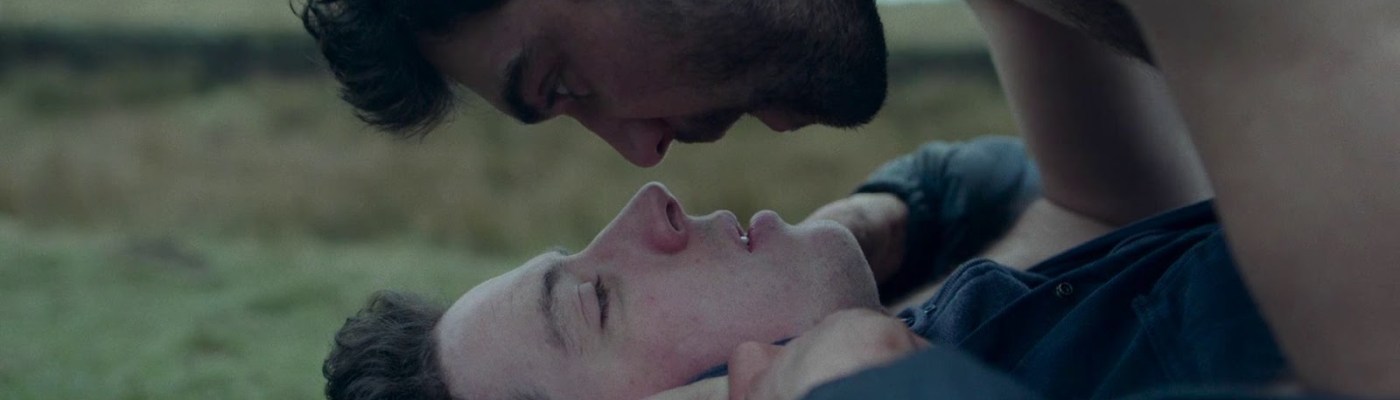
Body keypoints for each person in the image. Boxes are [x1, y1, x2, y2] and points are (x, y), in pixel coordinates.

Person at [301, 0, 1400, 397]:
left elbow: (1095, 201)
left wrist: (885, 216)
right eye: (593, 299)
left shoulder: (947, 333)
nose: (646, 182)